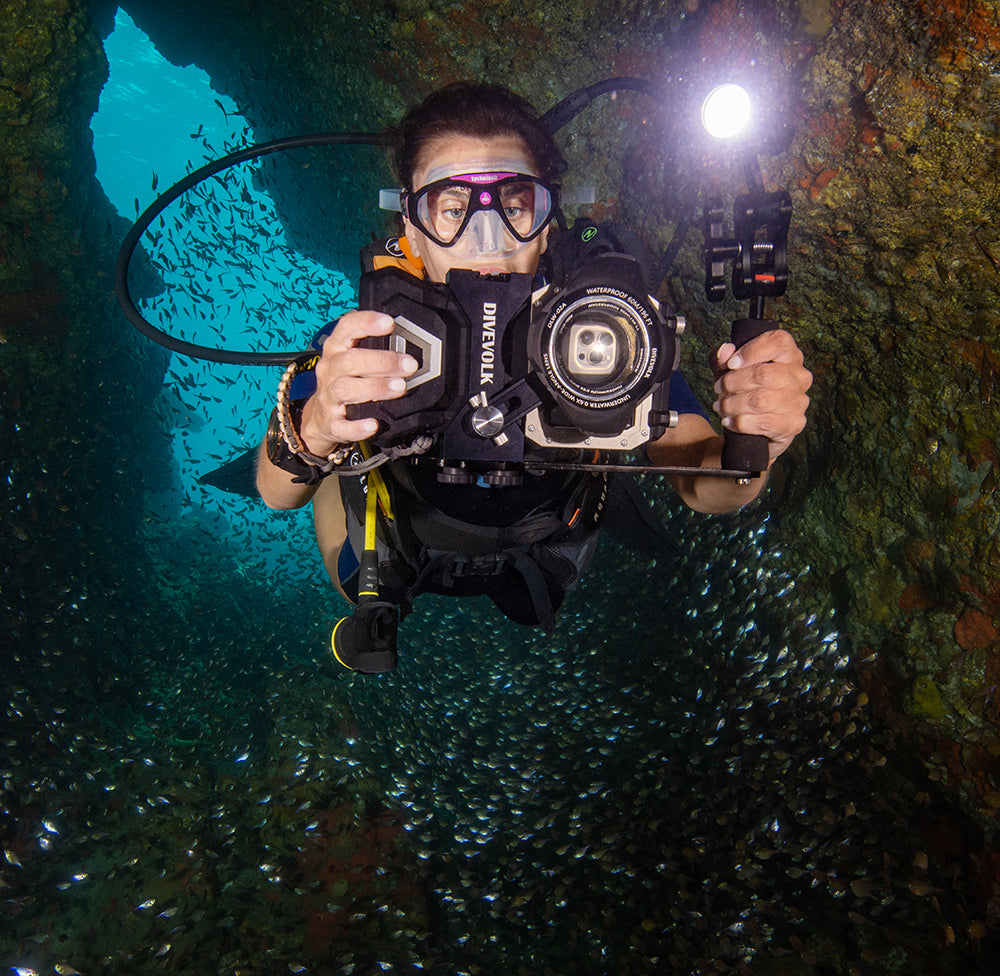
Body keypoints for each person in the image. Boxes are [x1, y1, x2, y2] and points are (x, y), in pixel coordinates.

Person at [257, 82, 811, 628]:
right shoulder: (364, 338)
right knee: (348, 549)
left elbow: (701, 481)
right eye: (452, 208)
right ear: (411, 226)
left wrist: (754, 443)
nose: (487, 237)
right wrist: (316, 429)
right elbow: (274, 491)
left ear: (548, 225)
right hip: (395, 544)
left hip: (547, 549)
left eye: (515, 205)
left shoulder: (606, 331)